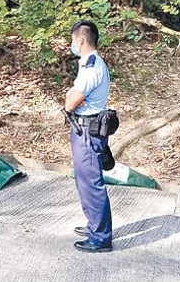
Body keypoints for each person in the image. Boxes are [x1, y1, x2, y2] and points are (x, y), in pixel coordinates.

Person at [64, 20, 113, 253]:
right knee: (85, 181)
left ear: (81, 40)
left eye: (73, 40)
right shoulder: (89, 64)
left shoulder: (92, 67)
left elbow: (72, 101)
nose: (72, 44)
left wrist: (69, 98)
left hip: (87, 131)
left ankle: (100, 237)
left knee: (91, 183)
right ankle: (94, 224)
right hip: (86, 129)